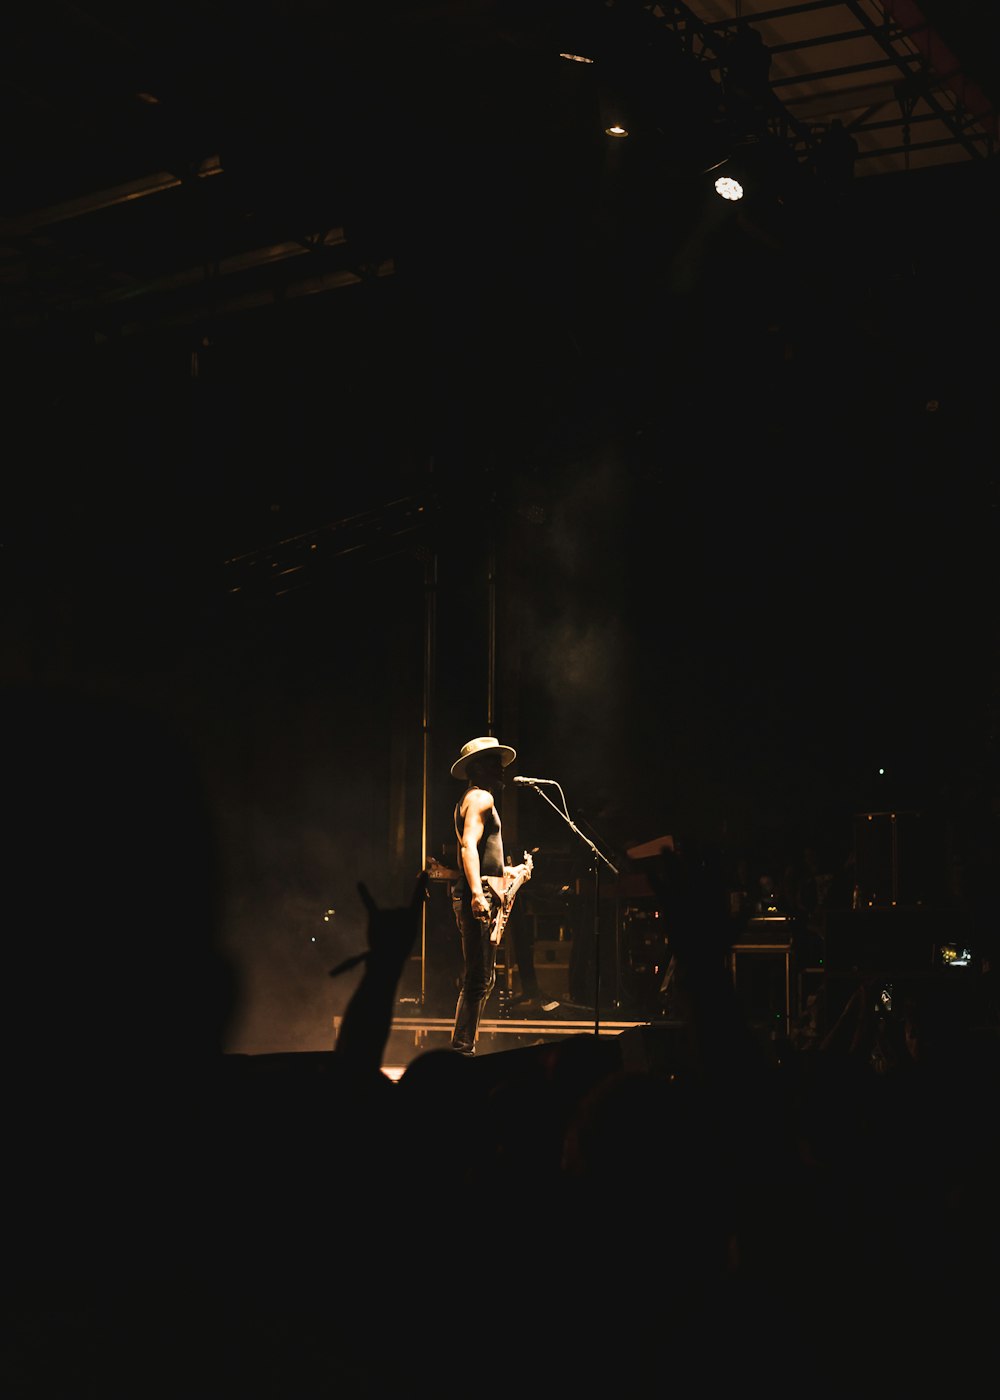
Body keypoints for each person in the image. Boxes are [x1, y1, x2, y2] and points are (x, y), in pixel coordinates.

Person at [448, 734, 532, 1055]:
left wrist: (516, 874)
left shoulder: (470, 799)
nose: (501, 769)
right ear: (477, 768)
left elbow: (480, 854)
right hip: (479, 891)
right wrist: (475, 893)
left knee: (484, 979)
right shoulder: (481, 799)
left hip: (485, 889)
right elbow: (468, 846)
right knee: (478, 980)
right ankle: (461, 1051)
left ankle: (464, 1046)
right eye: (494, 763)